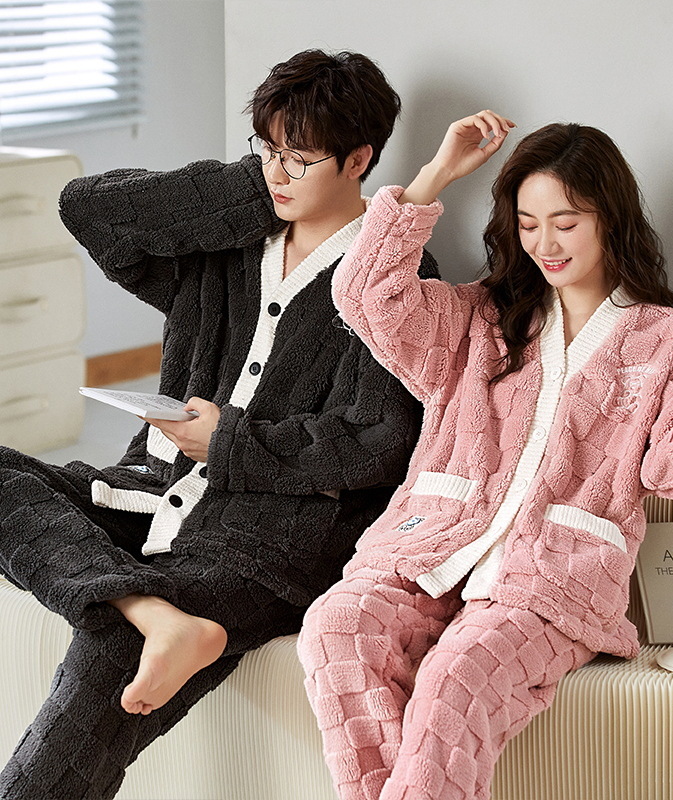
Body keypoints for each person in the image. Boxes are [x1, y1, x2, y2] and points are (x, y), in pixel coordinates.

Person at [297, 110, 673, 800]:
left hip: (554, 584)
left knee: (456, 676)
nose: (545, 244)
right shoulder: (478, 319)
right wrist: (436, 173)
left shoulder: (668, 341)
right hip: (431, 549)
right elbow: (365, 295)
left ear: (609, 219)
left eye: (565, 222)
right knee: (335, 627)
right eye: (528, 224)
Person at [0, 50, 437, 800]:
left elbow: (376, 441)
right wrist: (255, 185)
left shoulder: (397, 283)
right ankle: (143, 605)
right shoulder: (223, 246)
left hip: (265, 546)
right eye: (266, 150)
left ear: (359, 160)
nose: (276, 173)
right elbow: (87, 208)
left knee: (111, 652)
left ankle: (141, 622)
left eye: (299, 159)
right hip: (150, 495)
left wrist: (229, 443)